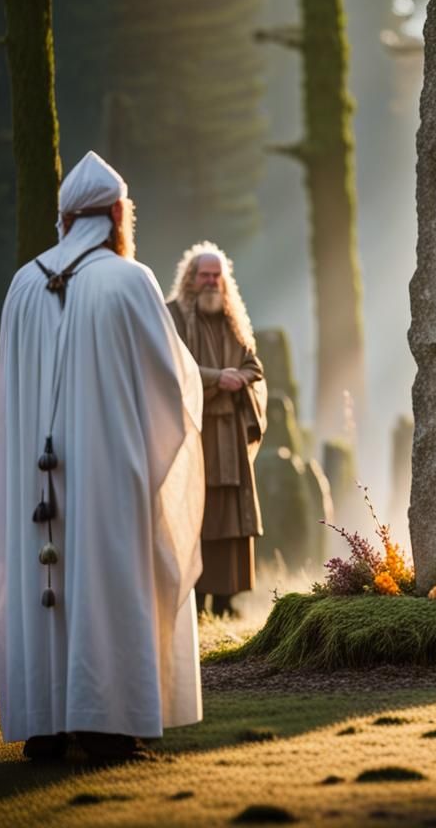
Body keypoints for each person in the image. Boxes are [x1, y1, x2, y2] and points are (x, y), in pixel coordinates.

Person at [0, 152, 204, 761]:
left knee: (42, 585)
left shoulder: (22, 285)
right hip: (108, 474)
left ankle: (44, 726)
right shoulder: (130, 280)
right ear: (116, 216)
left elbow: (5, 392)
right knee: (107, 583)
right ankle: (106, 728)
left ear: (64, 220)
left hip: (33, 482)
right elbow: (170, 388)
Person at [167, 243, 266, 617]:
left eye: (216, 276)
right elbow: (168, 366)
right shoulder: (172, 316)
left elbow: (254, 366)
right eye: (204, 275)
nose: (210, 282)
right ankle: (196, 600)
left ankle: (226, 599)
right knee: (196, 513)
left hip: (230, 439)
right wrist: (215, 378)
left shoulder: (233, 319)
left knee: (230, 517)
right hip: (193, 432)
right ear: (190, 279)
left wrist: (239, 377)